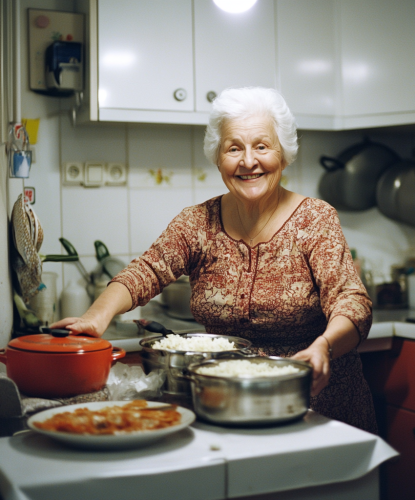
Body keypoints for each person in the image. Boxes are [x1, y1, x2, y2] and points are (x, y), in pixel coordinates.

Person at [52, 87, 377, 433]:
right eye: (233, 148)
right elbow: (145, 271)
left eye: (262, 146)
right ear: (218, 157)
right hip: (226, 407)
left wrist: (324, 346)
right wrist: (94, 318)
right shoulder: (197, 222)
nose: (248, 161)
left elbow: (351, 301)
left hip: (318, 409)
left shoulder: (315, 219)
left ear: (283, 154)